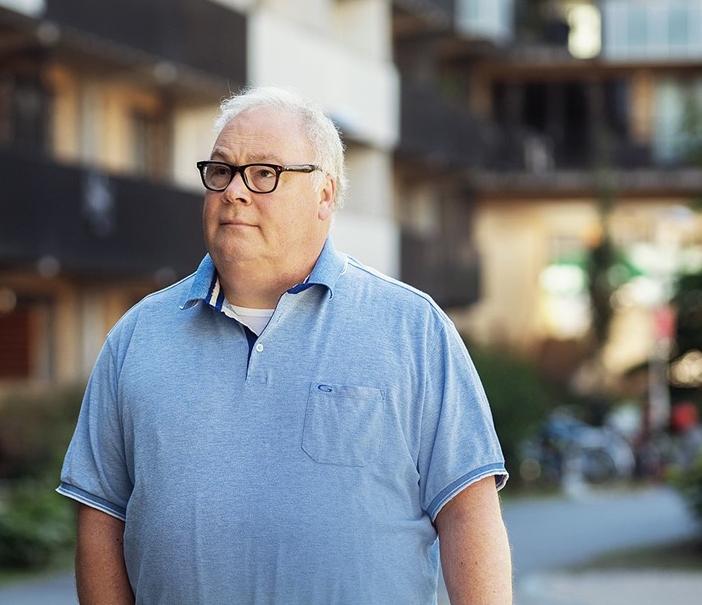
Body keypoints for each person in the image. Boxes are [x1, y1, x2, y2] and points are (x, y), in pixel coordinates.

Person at [58, 86, 511, 604]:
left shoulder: (413, 328)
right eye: (222, 171)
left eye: (264, 173)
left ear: (324, 194)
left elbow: (468, 513)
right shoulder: (137, 336)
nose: (234, 191)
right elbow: (100, 515)